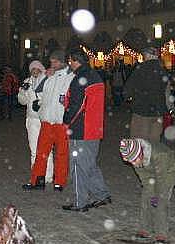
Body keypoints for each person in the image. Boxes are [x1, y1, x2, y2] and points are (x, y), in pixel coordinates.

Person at [61, 49, 111, 212]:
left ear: (75, 61)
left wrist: (66, 122)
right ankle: (102, 194)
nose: (69, 64)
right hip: (95, 128)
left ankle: (79, 201)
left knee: (78, 165)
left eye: (70, 61)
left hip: (81, 129)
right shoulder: (95, 76)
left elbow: (77, 105)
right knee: (89, 163)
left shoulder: (80, 79)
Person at [22, 50, 73, 191]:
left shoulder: (70, 77)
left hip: (61, 121)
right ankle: (37, 180)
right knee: (41, 152)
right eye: (51, 62)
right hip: (46, 120)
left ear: (62, 62)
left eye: (55, 62)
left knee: (61, 153)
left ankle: (60, 181)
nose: (52, 64)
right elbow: (38, 89)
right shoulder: (49, 75)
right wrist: (45, 76)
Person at [119, 137, 175, 244]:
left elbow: (161, 180)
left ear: (140, 153)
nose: (134, 164)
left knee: (161, 201)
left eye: (134, 160)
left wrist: (157, 195)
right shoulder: (135, 158)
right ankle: (145, 228)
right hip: (150, 171)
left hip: (168, 171)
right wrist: (150, 192)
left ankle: (161, 233)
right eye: (131, 161)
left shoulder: (160, 155)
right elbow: (144, 178)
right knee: (146, 197)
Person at [124, 46, 169, 144]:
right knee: (154, 139)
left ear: (147, 56)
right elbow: (166, 89)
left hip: (142, 110)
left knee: (140, 139)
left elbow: (128, 88)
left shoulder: (140, 69)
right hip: (158, 110)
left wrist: (129, 97)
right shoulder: (162, 70)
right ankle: (153, 156)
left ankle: (142, 157)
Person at [18, 60, 54, 183]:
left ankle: (48, 175)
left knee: (46, 148)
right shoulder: (27, 82)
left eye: (36, 69)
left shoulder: (47, 81)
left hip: (45, 118)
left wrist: (40, 103)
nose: (34, 71)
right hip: (32, 119)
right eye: (32, 69)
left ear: (40, 69)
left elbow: (50, 98)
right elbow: (21, 101)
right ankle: (36, 174)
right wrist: (23, 91)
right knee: (34, 149)